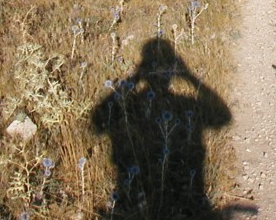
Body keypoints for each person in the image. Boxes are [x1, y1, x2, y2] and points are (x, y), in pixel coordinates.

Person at [93, 38, 231, 219]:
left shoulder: (136, 103)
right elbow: (222, 116)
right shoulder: (185, 103)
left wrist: (135, 77)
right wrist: (189, 76)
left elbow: (99, 120)